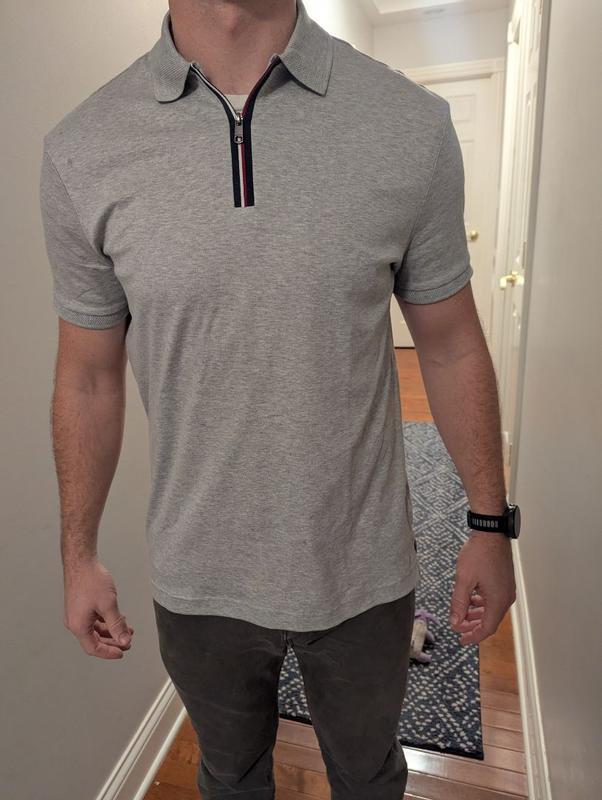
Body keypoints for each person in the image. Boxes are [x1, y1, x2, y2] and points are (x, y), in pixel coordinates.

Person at [38, 0, 517, 797]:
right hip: (198, 577)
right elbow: (86, 376)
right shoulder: (83, 150)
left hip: (364, 571)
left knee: (369, 777)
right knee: (229, 778)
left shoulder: (409, 124)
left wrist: (490, 524)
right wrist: (77, 554)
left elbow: (451, 343)